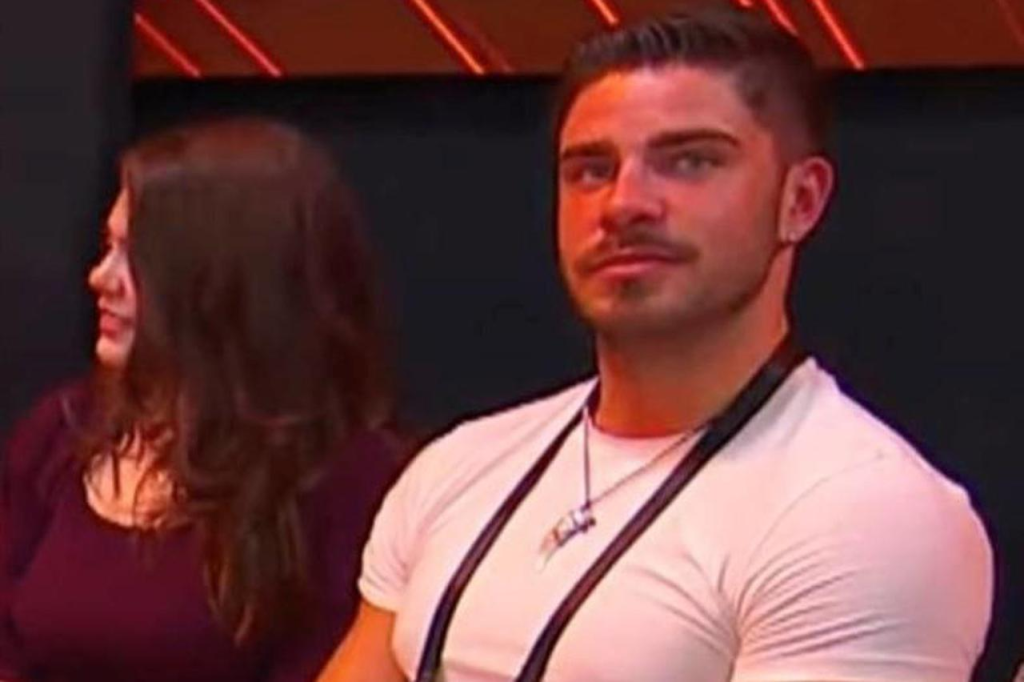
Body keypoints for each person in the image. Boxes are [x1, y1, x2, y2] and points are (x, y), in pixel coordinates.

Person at [317, 3, 993, 681]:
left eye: (690, 161)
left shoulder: (865, 510)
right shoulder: (459, 467)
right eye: (591, 170)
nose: (624, 204)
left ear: (801, 200)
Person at [0, 118, 401, 681]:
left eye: (135, 259)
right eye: (108, 248)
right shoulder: (62, 431)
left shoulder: (341, 482)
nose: (99, 278)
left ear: (221, 279)